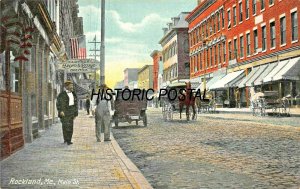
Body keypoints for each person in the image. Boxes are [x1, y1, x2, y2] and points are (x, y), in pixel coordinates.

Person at [56, 80, 78, 145]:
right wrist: (61, 111)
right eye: (70, 86)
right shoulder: (62, 94)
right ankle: (66, 139)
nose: (72, 87)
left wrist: (75, 114)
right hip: (64, 113)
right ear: (66, 87)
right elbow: (58, 104)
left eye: (72, 86)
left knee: (70, 126)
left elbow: (76, 104)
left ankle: (69, 140)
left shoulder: (74, 94)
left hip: (71, 113)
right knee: (65, 126)